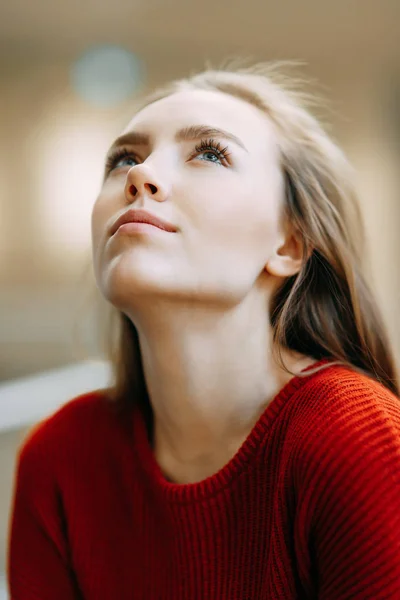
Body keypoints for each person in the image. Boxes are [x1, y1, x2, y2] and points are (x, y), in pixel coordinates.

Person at [7, 62, 400, 599]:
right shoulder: (59, 457)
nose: (139, 176)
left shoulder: (354, 438)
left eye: (210, 153)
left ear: (288, 244)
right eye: (125, 158)